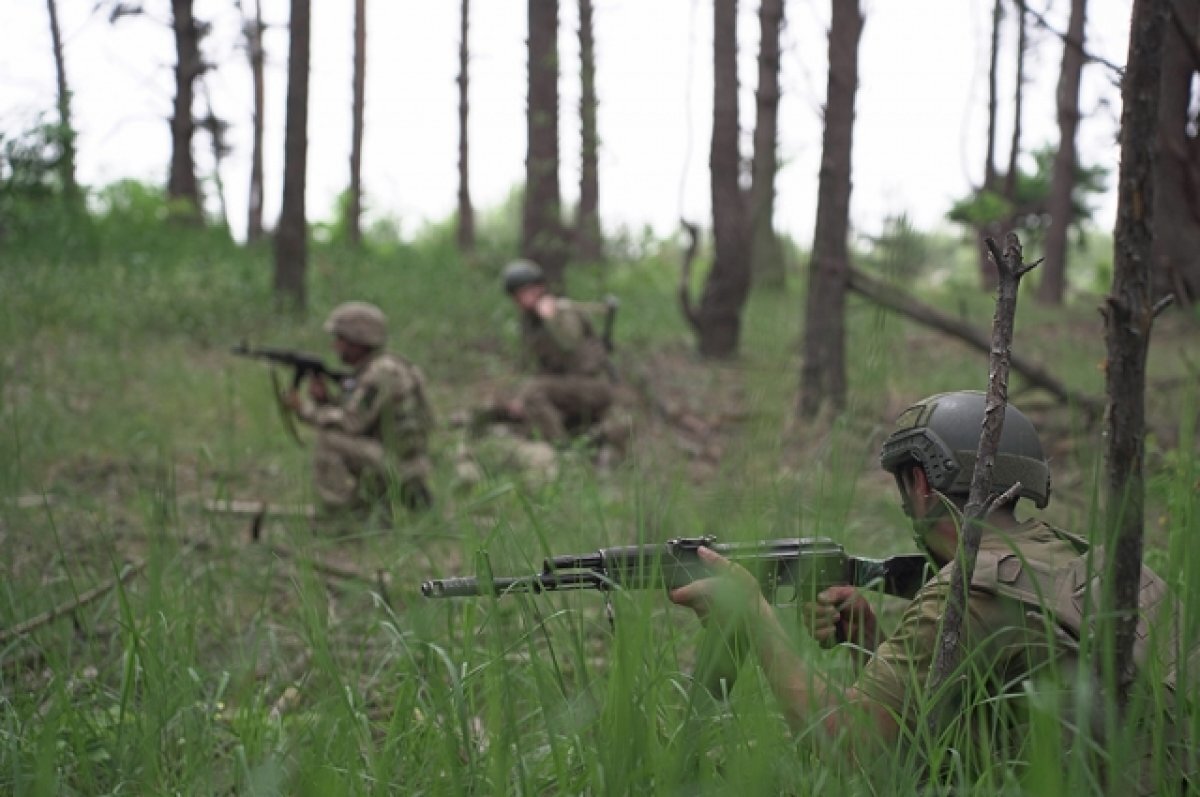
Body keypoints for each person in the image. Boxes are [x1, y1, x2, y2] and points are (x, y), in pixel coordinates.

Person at [669, 390, 1191, 791]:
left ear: (921, 484)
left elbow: (852, 748)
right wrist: (869, 643)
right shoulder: (1083, 560)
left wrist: (755, 616)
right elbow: (975, 714)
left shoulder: (967, 591)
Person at [283, 301, 434, 516]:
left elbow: (351, 423)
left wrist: (304, 409)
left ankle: (343, 516)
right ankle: (374, 506)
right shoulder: (390, 366)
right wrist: (326, 401)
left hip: (399, 465)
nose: (335, 347)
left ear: (358, 341)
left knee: (330, 440)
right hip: (407, 461)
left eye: (340, 340)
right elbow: (366, 418)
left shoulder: (380, 374)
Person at [493, 259, 620, 448]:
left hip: (594, 385)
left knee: (534, 391)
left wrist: (551, 318)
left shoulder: (562, 312)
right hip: (569, 386)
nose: (520, 299)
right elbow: (543, 366)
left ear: (539, 288)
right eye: (517, 295)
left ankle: (560, 449)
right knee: (522, 396)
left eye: (525, 292)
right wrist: (520, 397)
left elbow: (569, 344)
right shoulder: (531, 322)